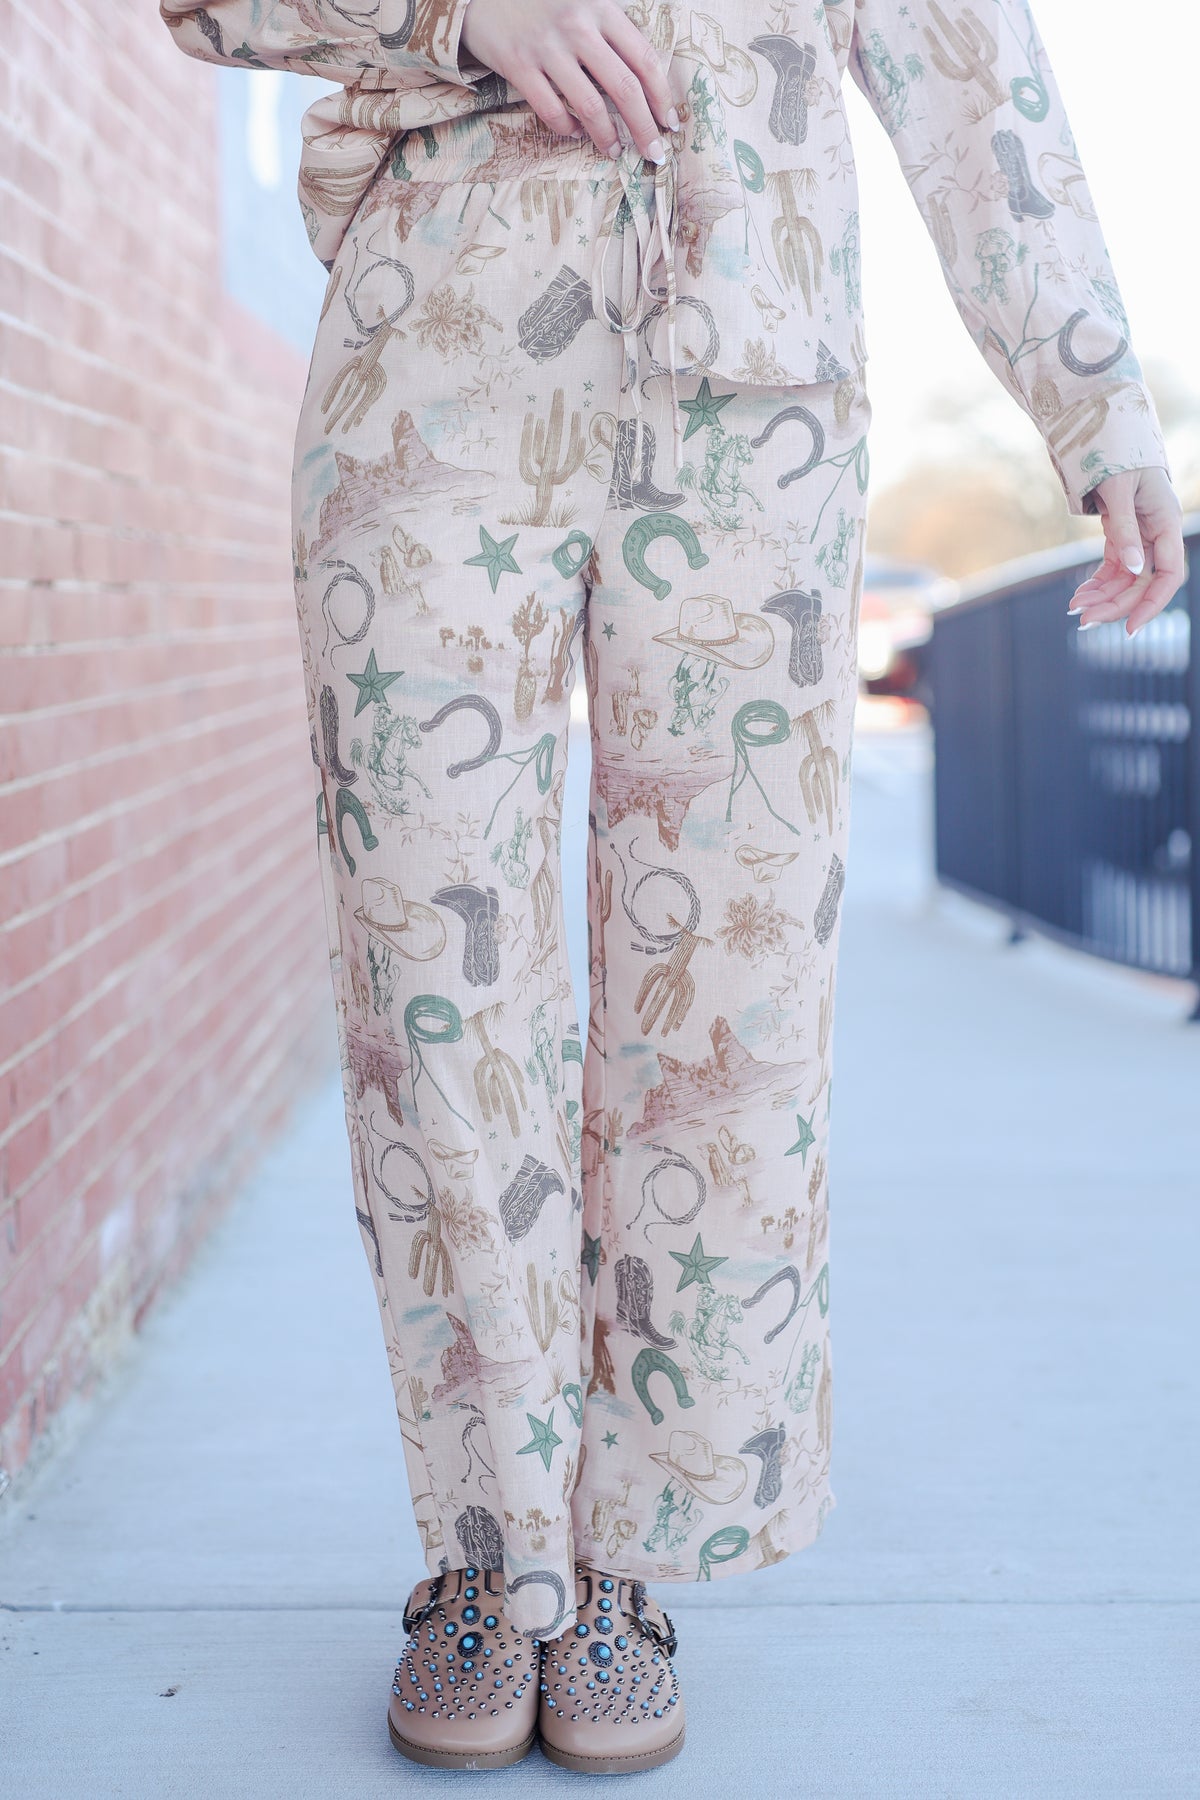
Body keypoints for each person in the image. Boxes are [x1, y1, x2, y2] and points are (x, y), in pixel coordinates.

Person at [161, 0, 1184, 1775]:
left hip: (753, 404)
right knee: (432, 976)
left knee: (728, 1001)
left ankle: (628, 1561)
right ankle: (495, 1558)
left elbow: (971, 70)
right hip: (434, 362)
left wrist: (1098, 403)